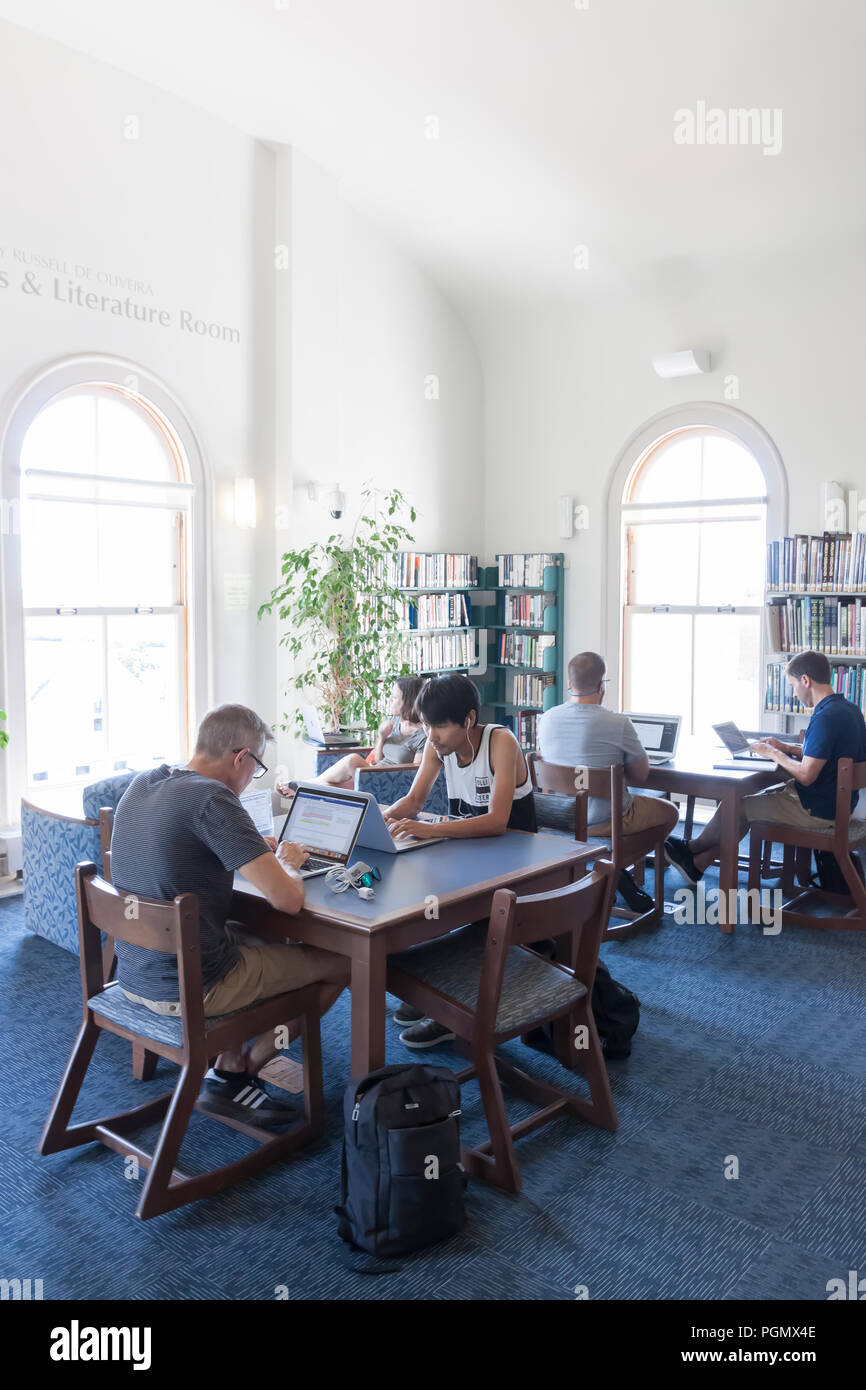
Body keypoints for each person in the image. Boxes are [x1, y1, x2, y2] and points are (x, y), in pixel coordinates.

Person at [110, 704, 349, 1130]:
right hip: (192, 988)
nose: (251, 777)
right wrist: (288, 861)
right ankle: (237, 1071)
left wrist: (251, 845)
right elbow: (288, 901)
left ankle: (233, 1057)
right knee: (345, 962)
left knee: (264, 940)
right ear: (241, 758)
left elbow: (182, 848)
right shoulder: (212, 798)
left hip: (133, 973)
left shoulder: (144, 782)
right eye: (256, 767)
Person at [383, 673, 537, 1047]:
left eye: (440, 726)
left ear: (468, 719)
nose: (431, 737)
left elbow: (498, 822)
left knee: (445, 906)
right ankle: (439, 994)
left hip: (514, 863)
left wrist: (430, 830)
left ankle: (453, 1010)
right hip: (468, 855)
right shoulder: (441, 747)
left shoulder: (501, 741)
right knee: (415, 892)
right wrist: (381, 819)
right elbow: (415, 801)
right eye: (427, 725)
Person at [665, 650, 866, 883]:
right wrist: (787, 748)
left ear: (805, 681)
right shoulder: (849, 710)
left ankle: (690, 848)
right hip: (836, 805)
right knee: (747, 806)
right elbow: (829, 755)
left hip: (815, 810)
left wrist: (772, 753)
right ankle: (698, 864)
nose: (794, 693)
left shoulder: (825, 717)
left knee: (736, 809)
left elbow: (807, 775)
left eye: (793, 685)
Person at [537, 651, 679, 910]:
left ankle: (607, 873)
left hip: (560, 819)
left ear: (569, 684)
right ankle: (614, 870)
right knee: (670, 812)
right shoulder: (617, 722)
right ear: (602, 686)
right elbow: (641, 775)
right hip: (605, 822)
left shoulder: (546, 719)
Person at [316, 677, 427, 789]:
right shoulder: (394, 722)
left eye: (394, 697)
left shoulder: (423, 736)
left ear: (409, 701)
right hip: (373, 775)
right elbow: (379, 760)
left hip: (391, 783)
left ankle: (304, 785)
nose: (390, 700)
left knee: (353, 760)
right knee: (326, 786)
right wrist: (382, 737)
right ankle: (304, 786)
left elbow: (414, 776)